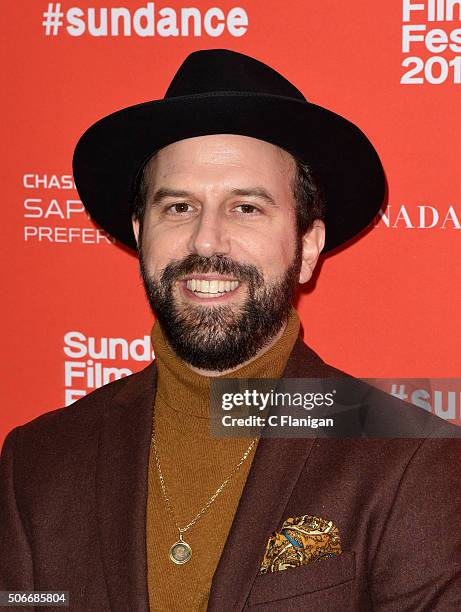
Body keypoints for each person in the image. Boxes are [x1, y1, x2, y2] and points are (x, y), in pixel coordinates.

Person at [0, 49, 460, 611]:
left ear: (307, 246)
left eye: (246, 208)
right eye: (178, 208)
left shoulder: (412, 457)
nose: (206, 242)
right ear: (141, 234)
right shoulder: (38, 462)